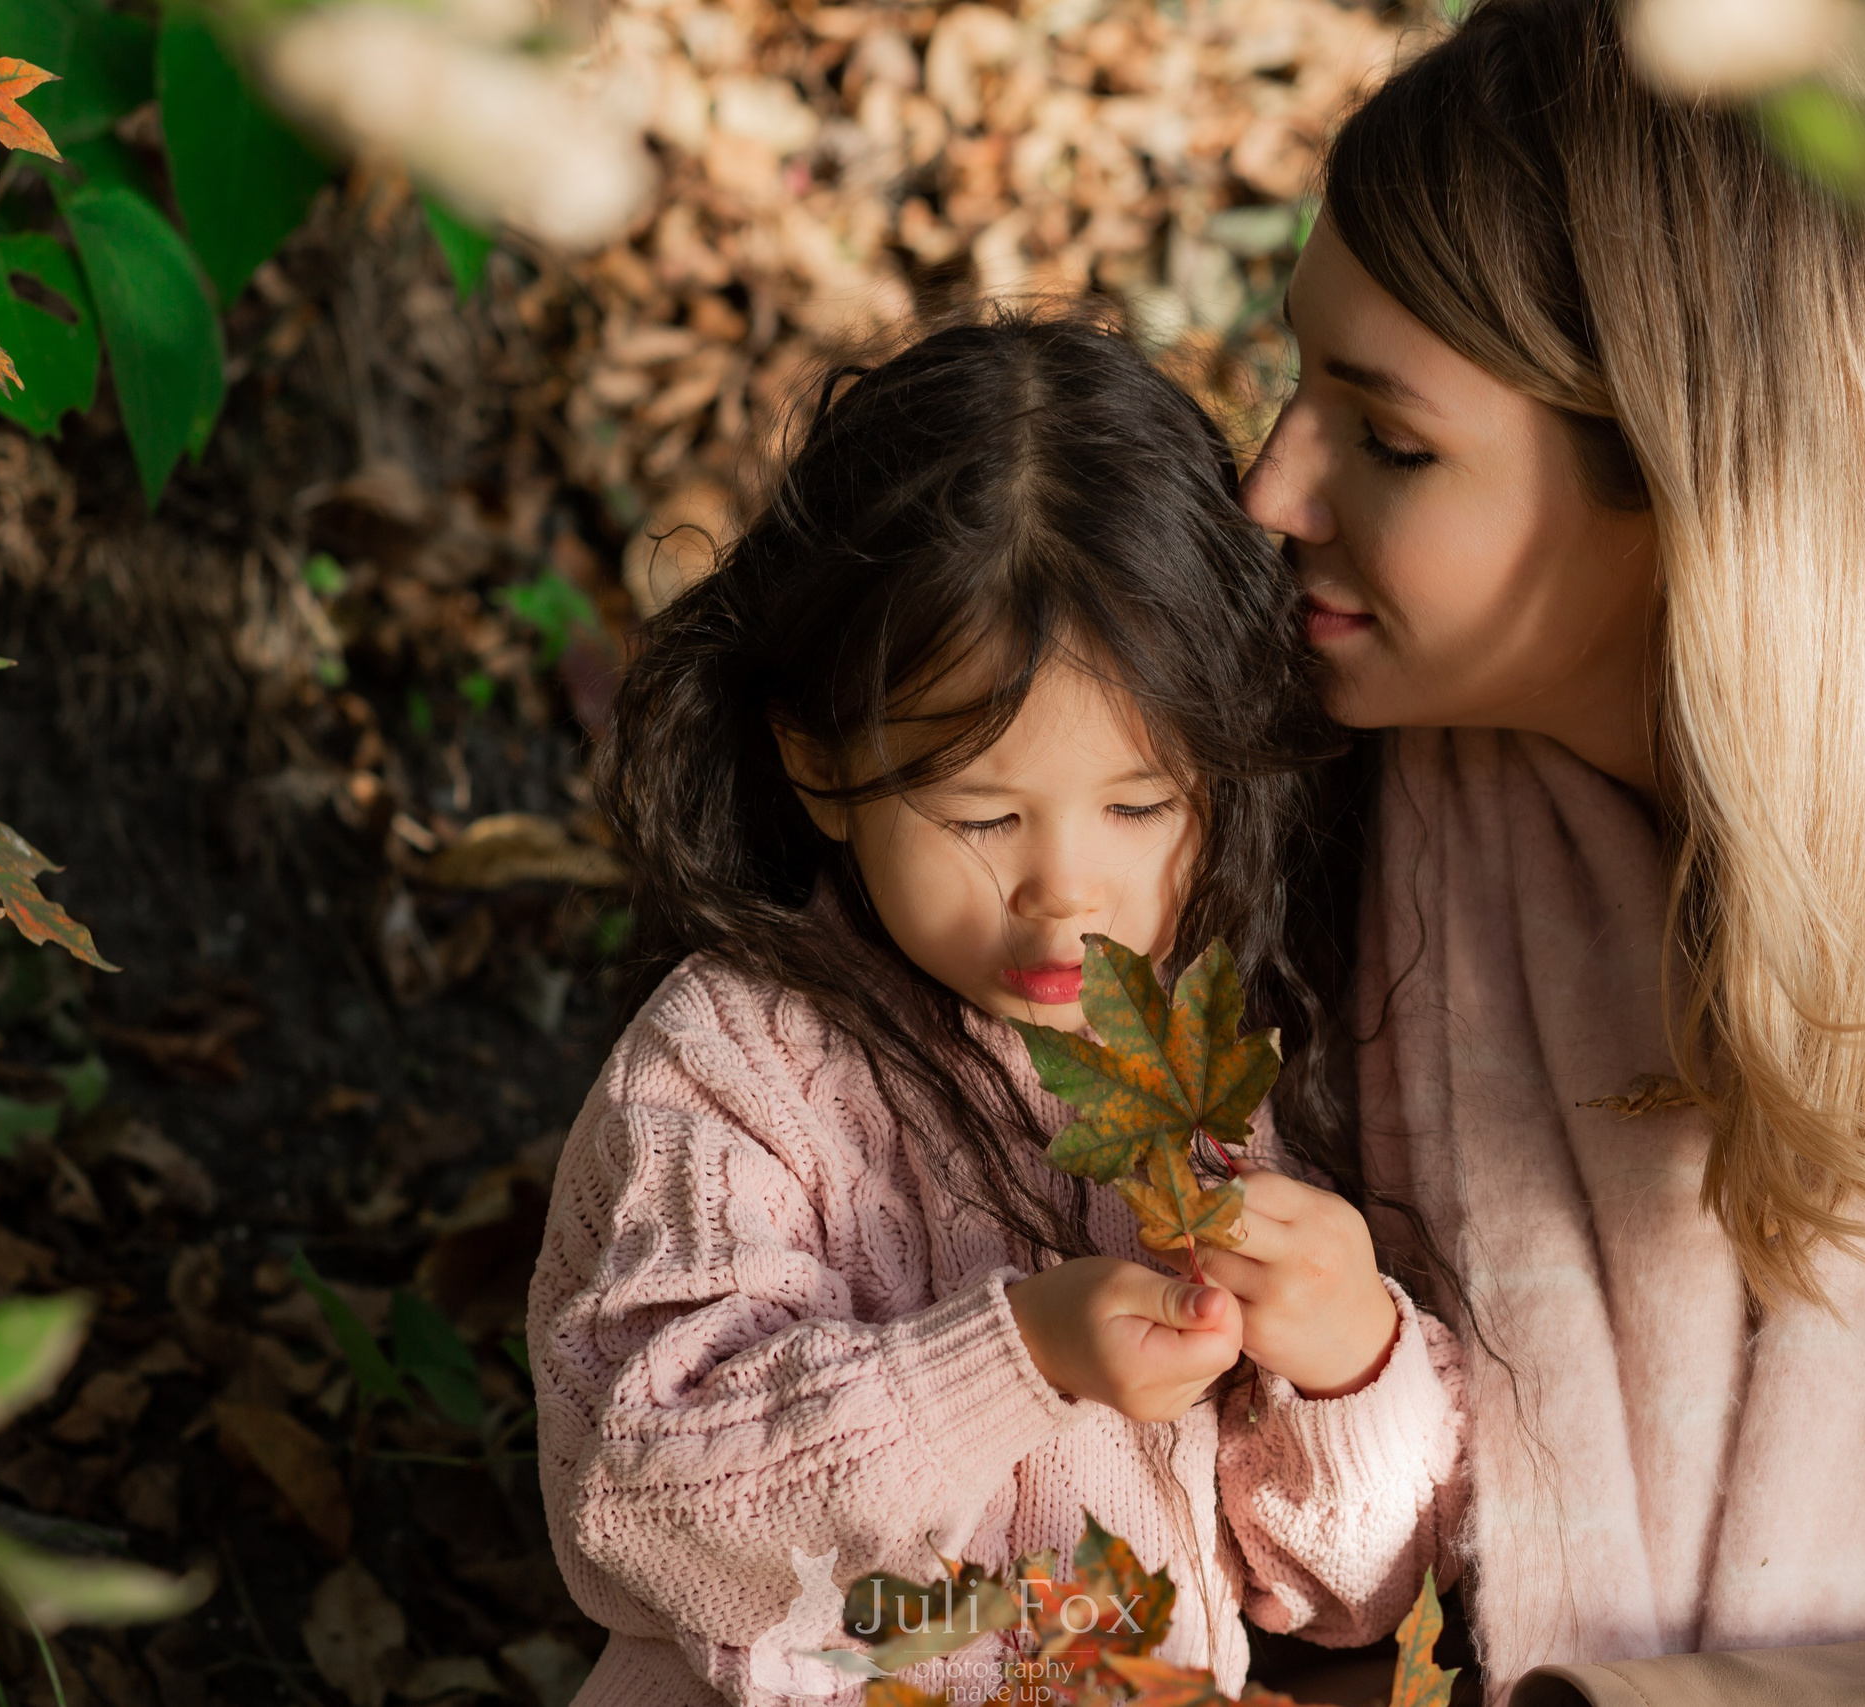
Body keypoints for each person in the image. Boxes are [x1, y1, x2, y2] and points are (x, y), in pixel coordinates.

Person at [1239, 1, 1865, 1702]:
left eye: (1390, 443)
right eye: (1295, 380)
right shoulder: (1261, 764)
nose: (1270, 490)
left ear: (1698, 485)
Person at [527, 315, 1467, 1706]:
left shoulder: (1239, 1061)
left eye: (1142, 806)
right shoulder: (729, 1069)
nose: (1065, 893)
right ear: (819, 761)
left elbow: (1357, 1597)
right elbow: (646, 1506)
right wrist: (1022, 1355)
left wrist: (1349, 1368)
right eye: (981, 814)